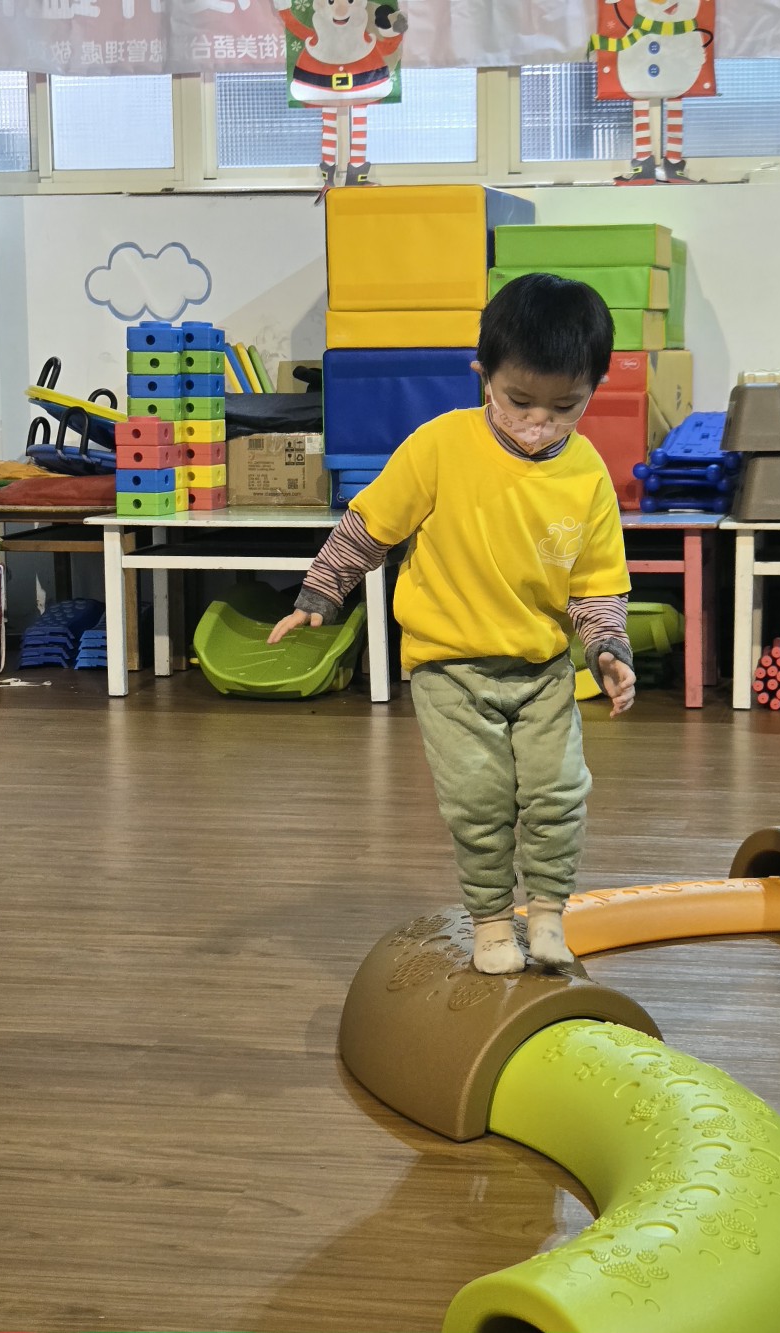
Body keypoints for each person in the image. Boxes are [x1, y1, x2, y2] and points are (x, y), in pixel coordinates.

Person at [268, 273, 636, 974]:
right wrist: (321, 591)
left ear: (594, 388)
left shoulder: (586, 471)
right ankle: (493, 921)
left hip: (541, 668)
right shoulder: (439, 445)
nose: (539, 423)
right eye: (519, 401)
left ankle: (548, 913)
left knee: (559, 792)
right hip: (449, 668)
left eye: (565, 406)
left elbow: (594, 583)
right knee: (479, 799)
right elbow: (371, 527)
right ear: (483, 374)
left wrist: (607, 645)